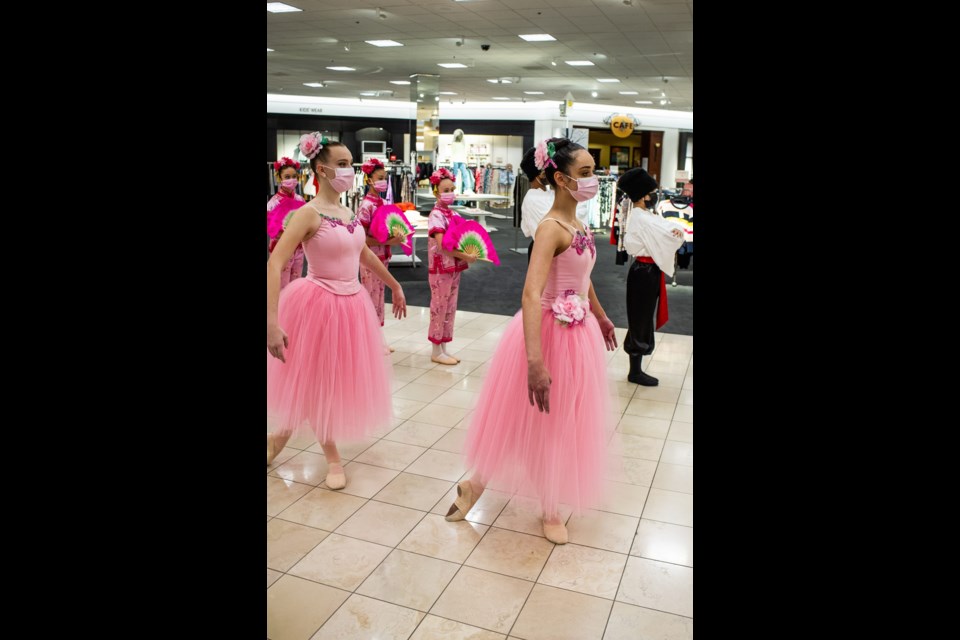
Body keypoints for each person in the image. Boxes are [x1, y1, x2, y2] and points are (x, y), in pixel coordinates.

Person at [446, 138, 618, 545]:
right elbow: (530, 292)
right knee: (534, 418)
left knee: (557, 419)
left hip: (578, 335)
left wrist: (601, 314)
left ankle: (479, 485)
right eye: (586, 174)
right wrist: (535, 361)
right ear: (561, 178)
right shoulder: (550, 228)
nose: (594, 181)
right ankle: (543, 506)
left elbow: (582, 277)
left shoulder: (578, 225)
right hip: (547, 332)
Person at [266, 132, 408, 490]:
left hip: (351, 303)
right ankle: (331, 457)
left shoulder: (347, 211)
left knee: (323, 381)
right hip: (316, 303)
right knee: (318, 383)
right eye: (342, 165)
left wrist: (393, 284)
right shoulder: (306, 214)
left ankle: (277, 441)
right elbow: (275, 262)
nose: (349, 171)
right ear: (321, 170)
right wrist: (270, 320)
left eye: (350, 164)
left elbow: (363, 253)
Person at [618, 168, 685, 386]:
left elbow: (668, 230)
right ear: (644, 195)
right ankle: (635, 371)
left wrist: (675, 232)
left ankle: (636, 367)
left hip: (646, 272)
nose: (655, 195)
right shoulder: (641, 217)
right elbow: (668, 233)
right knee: (640, 318)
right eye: (653, 192)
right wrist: (676, 233)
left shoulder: (644, 215)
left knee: (642, 317)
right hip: (643, 272)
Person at [426, 168, 476, 365]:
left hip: (453, 267)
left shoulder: (452, 213)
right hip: (440, 268)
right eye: (445, 189)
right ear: (436, 191)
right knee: (439, 307)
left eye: (452, 188)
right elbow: (442, 245)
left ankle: (443, 348)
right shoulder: (436, 215)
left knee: (450, 307)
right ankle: (435, 350)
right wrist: (465, 256)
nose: (450, 192)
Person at [518, 146, 593, 264]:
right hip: (557, 253)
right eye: (584, 173)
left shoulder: (543, 195)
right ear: (542, 174)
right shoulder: (536, 198)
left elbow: (526, 229)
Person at [356, 158, 405, 329]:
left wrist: (395, 235)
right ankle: (369, 336)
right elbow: (361, 238)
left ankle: (378, 337)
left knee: (380, 295)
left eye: (385, 178)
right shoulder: (366, 206)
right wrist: (390, 240)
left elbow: (386, 230)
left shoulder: (384, 203)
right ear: (369, 180)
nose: (383, 181)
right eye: (380, 178)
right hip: (369, 257)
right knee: (370, 296)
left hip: (383, 255)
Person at [266, 157, 306, 289]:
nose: (291, 180)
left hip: (299, 248)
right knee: (282, 286)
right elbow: (271, 230)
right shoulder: (273, 202)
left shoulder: (300, 199)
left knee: (296, 285)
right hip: (281, 248)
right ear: (279, 178)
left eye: (294, 176)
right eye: (287, 176)